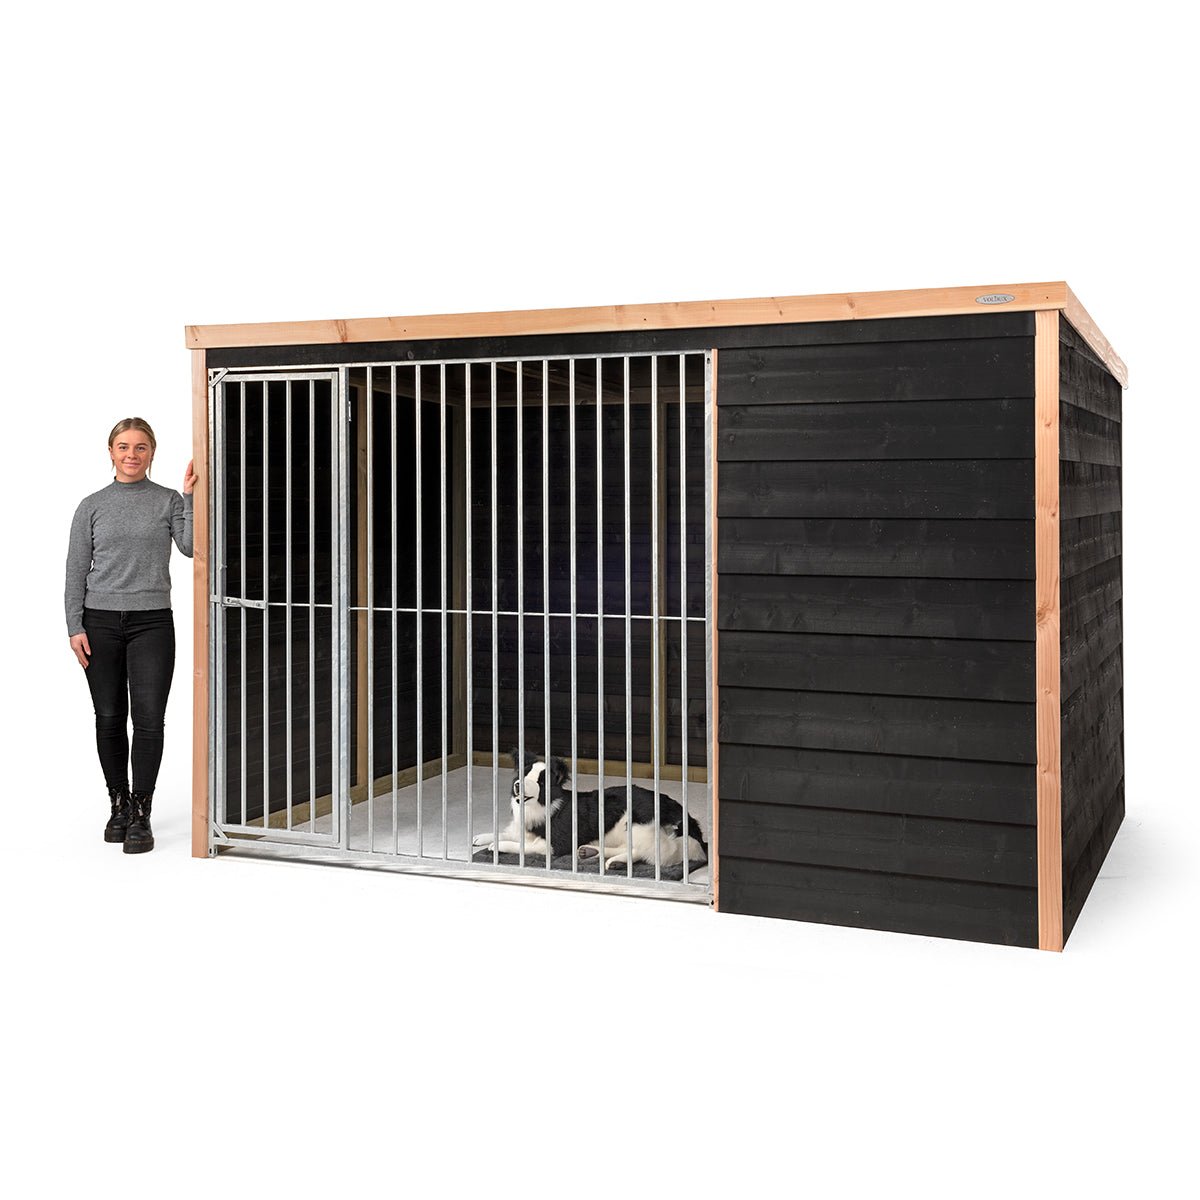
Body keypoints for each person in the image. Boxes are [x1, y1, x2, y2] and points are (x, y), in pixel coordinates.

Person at [65, 418, 196, 853]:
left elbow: (192, 547)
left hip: (152, 623)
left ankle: (142, 811)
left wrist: (192, 498)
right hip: (99, 622)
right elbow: (75, 569)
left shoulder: (168, 500)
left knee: (149, 719)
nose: (132, 455)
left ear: (152, 452)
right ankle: (118, 804)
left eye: (141, 447)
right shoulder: (91, 506)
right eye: (123, 446)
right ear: (111, 452)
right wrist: (74, 626)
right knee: (108, 716)